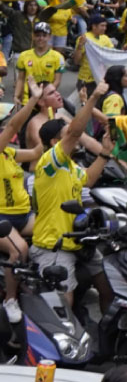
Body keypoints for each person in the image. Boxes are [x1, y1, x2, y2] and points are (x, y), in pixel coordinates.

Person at [30, 81, 114, 310]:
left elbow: (87, 179)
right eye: (68, 135)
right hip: (54, 246)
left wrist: (105, 153)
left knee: (109, 287)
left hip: (78, 241)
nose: (74, 137)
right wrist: (94, 97)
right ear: (56, 143)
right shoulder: (49, 162)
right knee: (64, 302)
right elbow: (77, 129)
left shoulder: (70, 166)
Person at [0, 80, 45, 323]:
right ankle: (10, 299)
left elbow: (37, 152)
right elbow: (15, 124)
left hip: (23, 215)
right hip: (1, 218)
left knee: (53, 232)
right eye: (3, 126)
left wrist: (53, 129)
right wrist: (33, 99)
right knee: (20, 250)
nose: (7, 128)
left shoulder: (8, 152)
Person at [13, 21, 64, 105]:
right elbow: (20, 79)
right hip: (27, 101)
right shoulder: (23, 56)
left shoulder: (58, 57)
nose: (41, 38)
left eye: (44, 36)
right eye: (38, 35)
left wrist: (45, 95)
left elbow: (57, 81)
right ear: (33, 36)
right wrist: (16, 96)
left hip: (47, 101)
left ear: (49, 37)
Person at [73, 14, 114, 94]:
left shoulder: (105, 38)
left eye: (105, 26)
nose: (104, 28)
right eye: (102, 26)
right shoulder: (85, 39)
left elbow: (111, 55)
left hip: (101, 79)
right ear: (94, 26)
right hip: (86, 80)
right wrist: (80, 46)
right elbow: (76, 61)